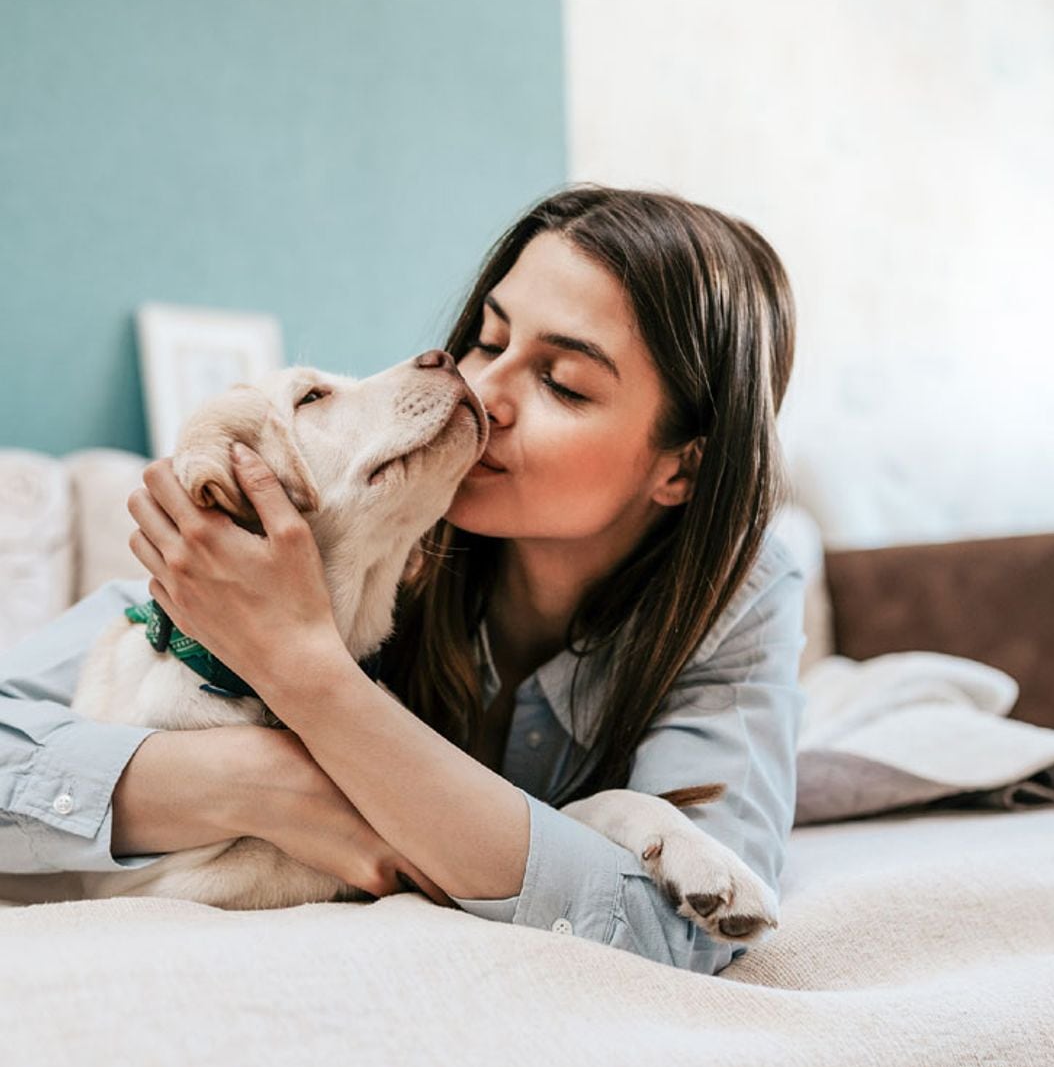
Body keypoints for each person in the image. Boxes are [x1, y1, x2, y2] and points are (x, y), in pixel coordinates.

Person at [0, 185, 806, 976]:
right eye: (490, 341)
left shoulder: (737, 592)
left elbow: (684, 934)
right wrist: (261, 782)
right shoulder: (353, 526)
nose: (484, 390)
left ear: (683, 468)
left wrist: (308, 674)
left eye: (562, 381)